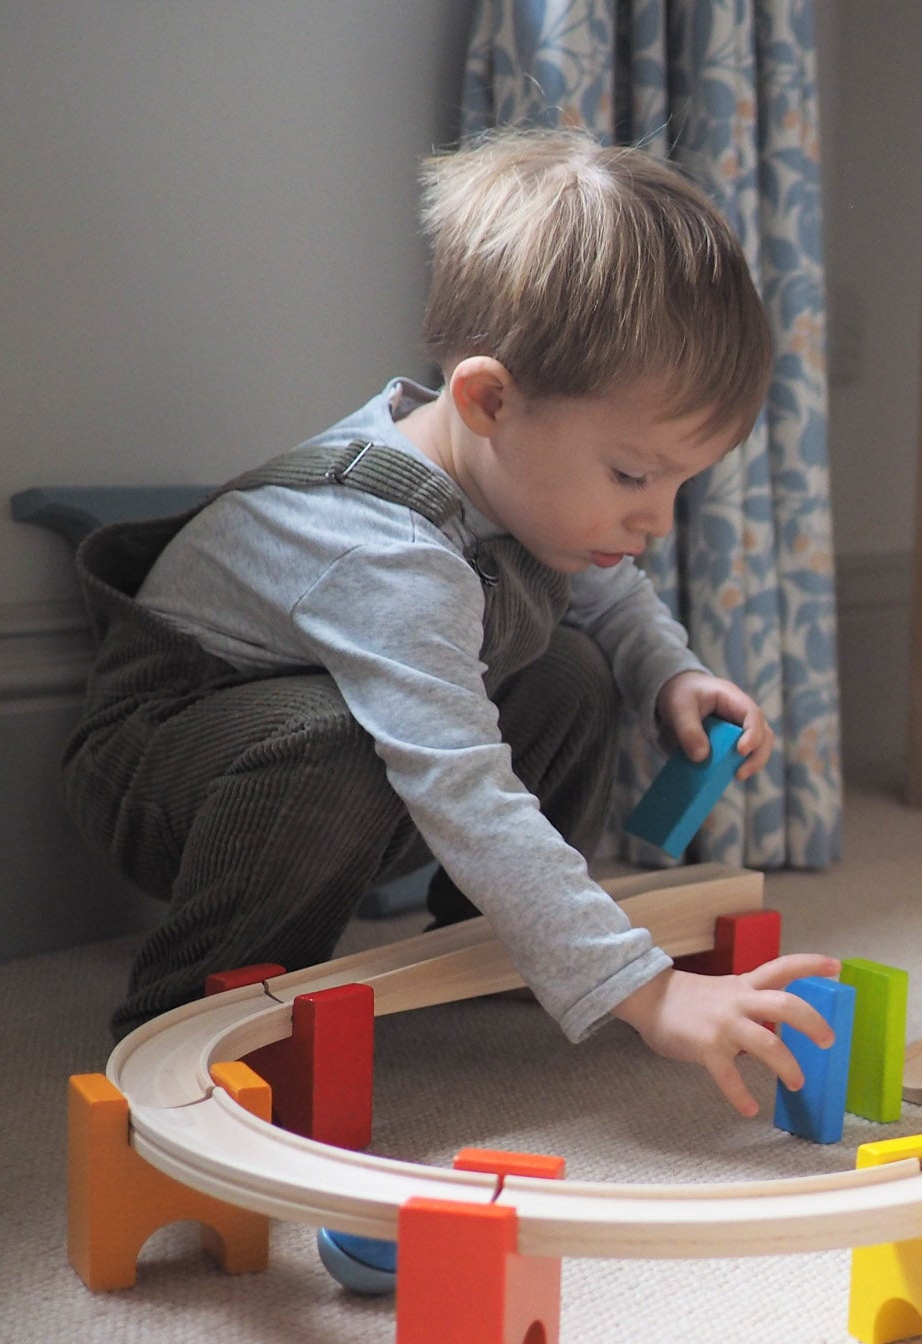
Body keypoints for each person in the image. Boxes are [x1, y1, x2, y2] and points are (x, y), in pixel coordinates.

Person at [61, 127, 837, 1116]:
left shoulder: (506, 474)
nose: (656, 518)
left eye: (681, 482)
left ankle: (498, 940)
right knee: (334, 744)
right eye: (634, 476)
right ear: (486, 400)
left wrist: (667, 671)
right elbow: (461, 786)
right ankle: (195, 1015)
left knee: (568, 668)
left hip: (323, 760)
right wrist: (647, 991)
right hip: (168, 765)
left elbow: (602, 583)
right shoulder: (385, 554)